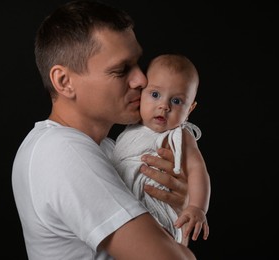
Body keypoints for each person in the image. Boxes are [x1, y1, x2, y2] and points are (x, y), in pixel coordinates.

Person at [11, 1, 196, 259]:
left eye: (137, 63)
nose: (141, 79)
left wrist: (177, 212)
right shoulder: (61, 151)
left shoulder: (110, 149)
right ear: (64, 82)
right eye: (121, 70)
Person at [112, 54, 211, 244]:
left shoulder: (180, 136)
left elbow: (198, 170)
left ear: (190, 109)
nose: (164, 106)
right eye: (155, 95)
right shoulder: (132, 126)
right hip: (126, 203)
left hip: (157, 208)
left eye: (176, 101)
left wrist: (197, 207)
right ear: (142, 94)